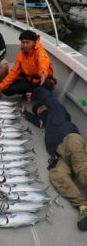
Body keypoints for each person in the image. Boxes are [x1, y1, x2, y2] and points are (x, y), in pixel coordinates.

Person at [21, 86, 87, 231]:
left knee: (82, 168)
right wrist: (25, 113)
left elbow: (48, 97)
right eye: (37, 110)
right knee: (56, 176)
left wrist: (35, 89)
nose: (39, 110)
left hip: (70, 140)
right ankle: (83, 206)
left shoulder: (57, 111)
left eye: (41, 108)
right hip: (58, 155)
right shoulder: (43, 123)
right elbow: (34, 120)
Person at [0, 30, 56, 98]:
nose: (25, 45)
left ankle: (33, 94)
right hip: (29, 81)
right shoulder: (20, 55)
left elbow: (43, 63)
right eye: (23, 42)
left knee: (47, 84)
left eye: (28, 42)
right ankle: (31, 94)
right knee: (6, 90)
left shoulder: (41, 52)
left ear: (34, 42)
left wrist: (42, 73)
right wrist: (0, 87)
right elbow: (14, 72)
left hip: (42, 81)